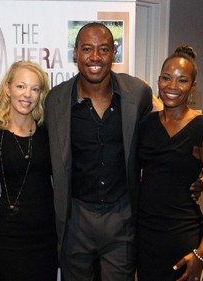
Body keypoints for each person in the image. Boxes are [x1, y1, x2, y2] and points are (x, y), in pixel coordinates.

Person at [44, 22, 153, 281]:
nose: (95, 57)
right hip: (76, 220)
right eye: (87, 49)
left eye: (103, 49)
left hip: (121, 217)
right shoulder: (56, 101)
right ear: (75, 53)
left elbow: (157, 141)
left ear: (113, 53)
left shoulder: (138, 94)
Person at [0, 61, 58, 281]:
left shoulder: (48, 131)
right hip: (11, 235)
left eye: (35, 89)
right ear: (7, 88)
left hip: (46, 234)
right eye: (21, 86)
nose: (27, 95)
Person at [137, 45, 203, 281]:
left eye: (182, 80)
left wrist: (202, 253)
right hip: (145, 237)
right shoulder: (146, 125)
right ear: (158, 80)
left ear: (192, 87)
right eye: (166, 78)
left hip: (183, 237)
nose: (172, 86)